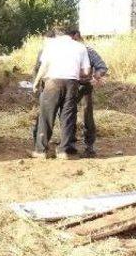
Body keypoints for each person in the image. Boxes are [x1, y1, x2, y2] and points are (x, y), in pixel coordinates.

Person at [32, 22, 90, 159]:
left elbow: (44, 66)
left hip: (52, 82)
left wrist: (35, 82)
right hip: (72, 83)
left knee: (47, 116)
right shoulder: (81, 47)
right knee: (68, 116)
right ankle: (64, 151)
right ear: (72, 34)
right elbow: (86, 71)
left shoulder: (51, 45)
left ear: (59, 34)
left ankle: (41, 150)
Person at [72, 31, 108, 158]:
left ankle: (89, 146)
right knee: (68, 114)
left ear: (78, 38)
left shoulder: (88, 50)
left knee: (87, 113)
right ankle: (69, 144)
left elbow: (102, 67)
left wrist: (96, 77)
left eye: (74, 39)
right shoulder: (65, 50)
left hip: (85, 85)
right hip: (69, 86)